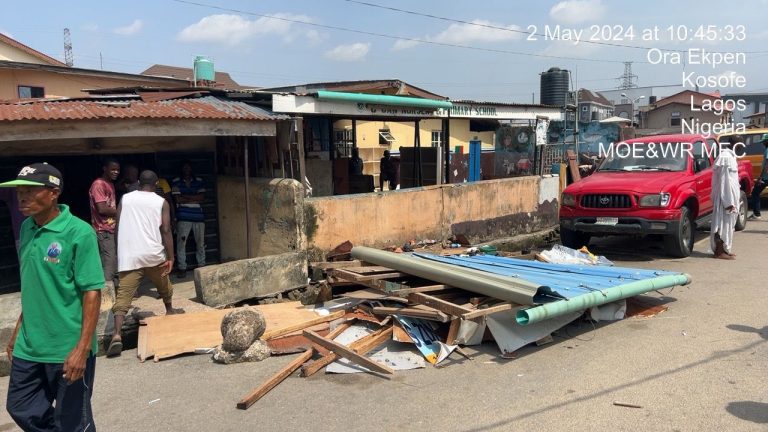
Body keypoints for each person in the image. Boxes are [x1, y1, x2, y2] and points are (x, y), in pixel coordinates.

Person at [2, 163, 103, 431]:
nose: (22, 197)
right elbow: (35, 285)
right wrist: (19, 328)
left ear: (53, 192)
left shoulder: (79, 233)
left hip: (67, 346)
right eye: (19, 191)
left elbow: (92, 292)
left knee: (72, 421)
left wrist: (82, 349)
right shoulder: (27, 229)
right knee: (20, 406)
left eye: (31, 191)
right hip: (31, 345)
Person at [107, 170, 179, 357]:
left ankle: (116, 334)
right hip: (153, 253)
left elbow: (118, 225)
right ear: (156, 184)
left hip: (129, 254)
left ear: (139, 182)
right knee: (164, 284)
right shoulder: (161, 202)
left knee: (124, 295)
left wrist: (119, 250)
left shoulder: (126, 199)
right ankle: (170, 311)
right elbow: (165, 229)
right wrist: (170, 257)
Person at [90, 157, 120, 290]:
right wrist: (122, 211)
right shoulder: (99, 184)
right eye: (113, 169)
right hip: (103, 230)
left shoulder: (110, 184)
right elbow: (101, 209)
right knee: (109, 264)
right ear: (105, 169)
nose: (116, 172)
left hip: (112, 229)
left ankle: (118, 298)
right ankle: (105, 300)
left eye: (118, 170)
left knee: (115, 263)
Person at [171, 161, 206, 278]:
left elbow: (201, 198)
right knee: (181, 244)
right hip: (183, 217)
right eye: (184, 167)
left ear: (191, 169)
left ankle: (202, 266)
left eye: (188, 167)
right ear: (181, 169)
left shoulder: (199, 181)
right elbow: (177, 200)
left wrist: (185, 197)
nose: (186, 169)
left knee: (200, 243)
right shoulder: (176, 181)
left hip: (198, 217)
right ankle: (182, 268)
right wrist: (193, 198)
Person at [710, 135, 741, 260]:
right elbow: (724, 181)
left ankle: (725, 249)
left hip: (731, 197)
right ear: (734, 144)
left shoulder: (731, 157)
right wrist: (728, 201)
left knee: (728, 224)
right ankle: (719, 252)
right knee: (721, 224)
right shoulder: (725, 158)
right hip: (725, 198)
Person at [749, 134, 768, 219]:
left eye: (764, 142)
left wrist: (760, 177)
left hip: (766, 177)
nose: (763, 143)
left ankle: (756, 214)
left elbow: (766, 165)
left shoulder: (767, 150)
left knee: (755, 193)